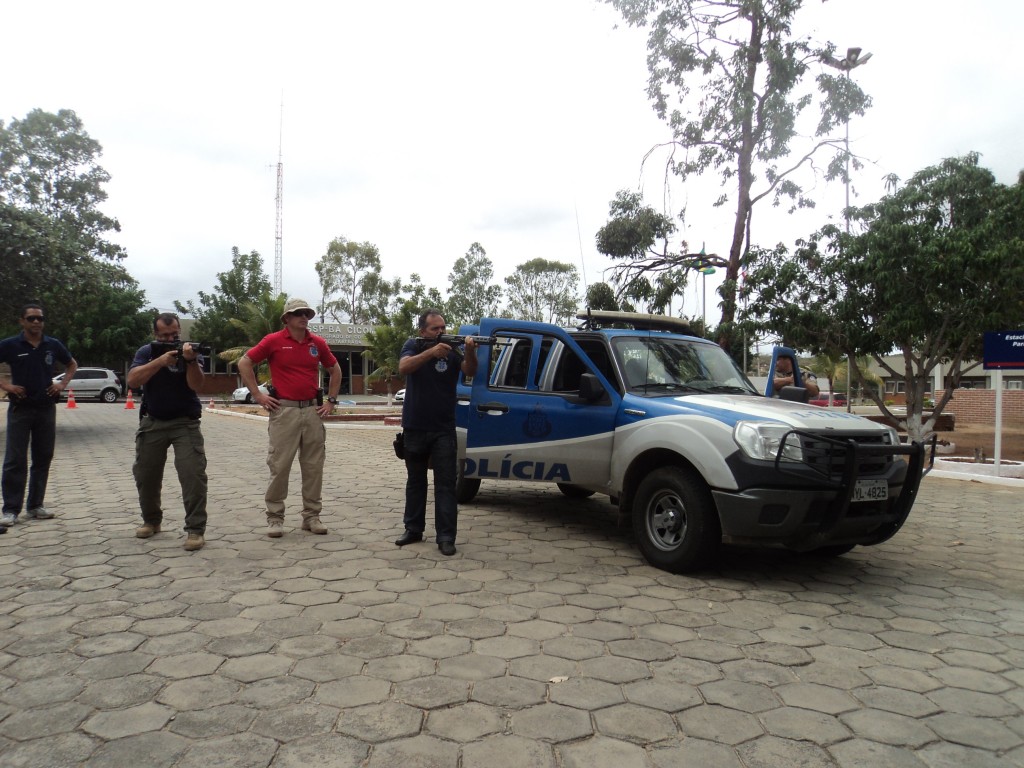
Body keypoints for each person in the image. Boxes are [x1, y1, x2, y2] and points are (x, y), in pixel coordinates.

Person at [237, 298, 341, 538]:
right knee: (280, 466)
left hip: (312, 411)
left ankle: (312, 516)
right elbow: (245, 362)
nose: (303, 317)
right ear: (286, 318)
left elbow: (335, 369)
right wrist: (258, 395)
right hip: (284, 411)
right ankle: (275, 517)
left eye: (306, 313)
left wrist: (331, 401)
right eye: (297, 314)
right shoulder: (273, 341)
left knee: (314, 466)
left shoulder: (317, 343)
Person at [394, 309, 478, 556]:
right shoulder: (413, 345)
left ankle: (446, 536)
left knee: (445, 485)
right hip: (415, 426)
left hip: (443, 428)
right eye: (435, 329)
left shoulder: (453, 349)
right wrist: (431, 352)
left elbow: (470, 370)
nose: (441, 332)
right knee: (416, 481)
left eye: (443, 327)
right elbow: (404, 367)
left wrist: (470, 349)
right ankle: (413, 529)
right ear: (423, 331)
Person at [127, 313, 209, 551]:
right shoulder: (146, 352)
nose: (170, 338)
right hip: (153, 421)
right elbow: (133, 381)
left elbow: (197, 385)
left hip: (185, 422)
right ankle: (151, 521)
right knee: (146, 475)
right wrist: (160, 361)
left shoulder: (190, 351)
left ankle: (195, 530)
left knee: (193, 474)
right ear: (156, 334)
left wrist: (190, 361)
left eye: (174, 334)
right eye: (164, 335)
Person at [0, 303, 78, 529]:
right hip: (20, 409)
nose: (36, 322)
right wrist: (8, 386)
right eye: (31, 318)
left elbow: (72, 364)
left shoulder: (52, 345)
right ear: (22, 321)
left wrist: (62, 384)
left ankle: (35, 506)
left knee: (43, 457)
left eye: (40, 319)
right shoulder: (11, 345)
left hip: (46, 408)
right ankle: (10, 510)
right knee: (15, 460)